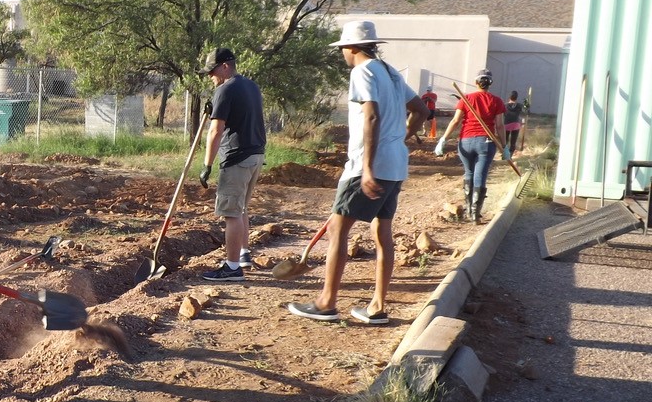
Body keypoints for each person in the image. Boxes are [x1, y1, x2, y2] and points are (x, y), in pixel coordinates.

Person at [288, 21, 427, 325]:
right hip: (395, 164)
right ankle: (377, 306)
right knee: (382, 232)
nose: (343, 54)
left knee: (338, 230)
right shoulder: (390, 72)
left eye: (343, 49)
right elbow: (421, 110)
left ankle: (326, 303)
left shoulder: (362, 71)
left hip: (369, 165)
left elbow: (372, 116)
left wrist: (367, 168)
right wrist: (398, 140)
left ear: (351, 48)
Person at [196, 47, 266, 281]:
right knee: (241, 207)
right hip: (255, 155)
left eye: (212, 70)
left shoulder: (225, 89)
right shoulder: (251, 86)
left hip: (237, 157)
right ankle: (243, 254)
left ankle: (232, 267)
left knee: (231, 214)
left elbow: (215, 131)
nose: (210, 76)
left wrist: (207, 165)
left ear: (225, 66)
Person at [435, 69, 507, 223]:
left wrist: (443, 139)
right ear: (490, 83)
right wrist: (505, 146)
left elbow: (455, 121)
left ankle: (468, 209)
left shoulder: (466, 99)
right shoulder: (497, 101)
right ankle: (475, 214)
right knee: (480, 176)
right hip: (486, 142)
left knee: (469, 173)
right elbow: (500, 126)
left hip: (466, 142)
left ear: (476, 82)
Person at [503, 90, 527, 156]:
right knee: (513, 141)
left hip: (507, 124)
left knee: (505, 140)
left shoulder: (505, 105)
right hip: (516, 124)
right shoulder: (520, 105)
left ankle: (505, 155)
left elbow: (502, 114)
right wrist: (526, 105)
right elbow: (526, 112)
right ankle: (511, 154)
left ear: (509, 97)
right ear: (516, 97)